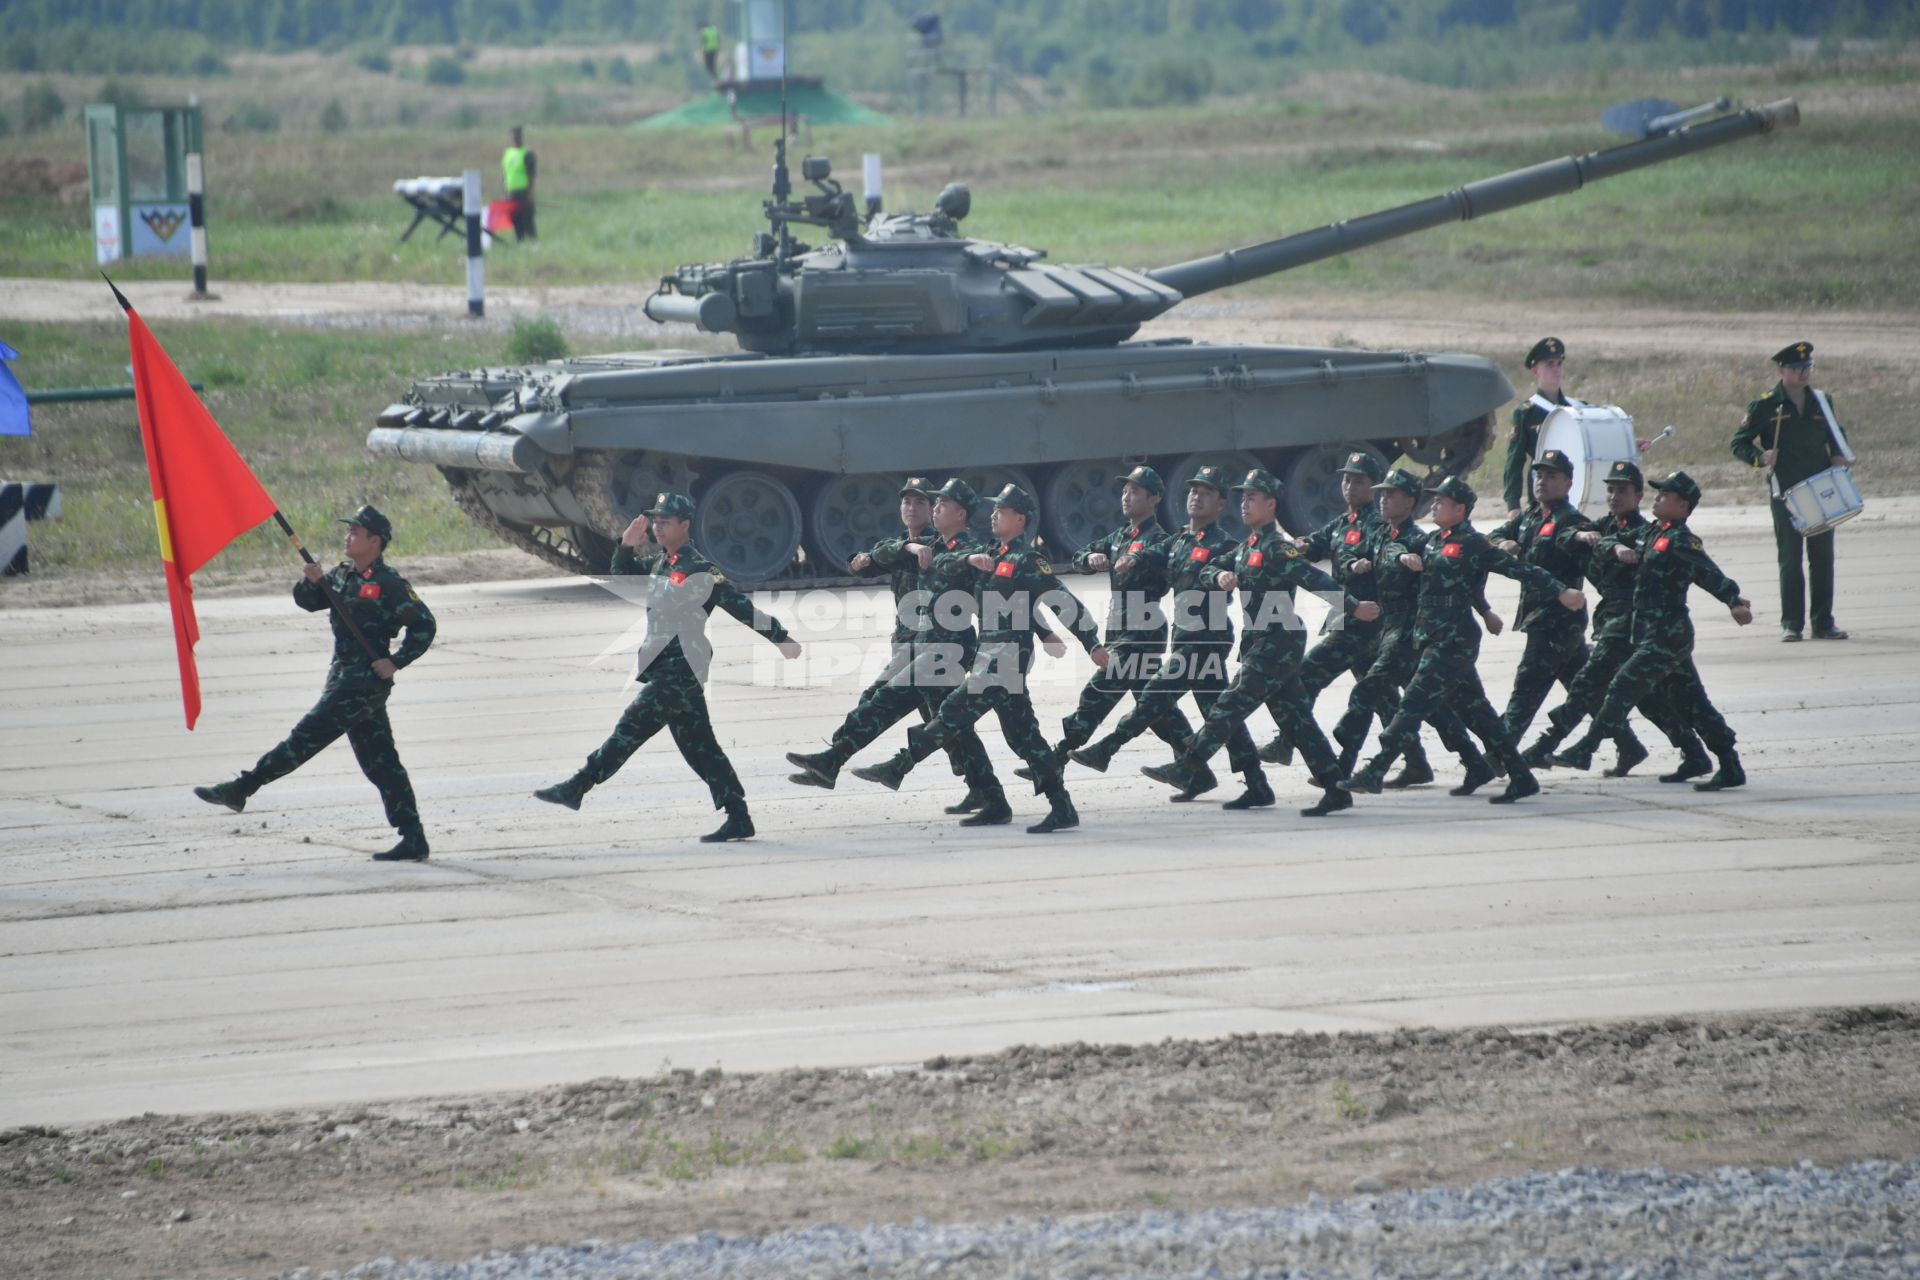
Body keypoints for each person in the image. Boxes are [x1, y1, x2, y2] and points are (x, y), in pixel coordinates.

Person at [533, 491, 801, 842]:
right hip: (663, 669)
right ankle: (739, 816)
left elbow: (741, 607)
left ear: (685, 525)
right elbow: (623, 576)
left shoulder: (701, 571)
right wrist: (626, 546)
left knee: (629, 728)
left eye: (665, 522)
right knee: (701, 749)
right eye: (655, 522)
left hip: (682, 671)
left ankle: (578, 786)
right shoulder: (661, 564)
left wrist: (781, 638)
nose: (658, 528)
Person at [851, 483, 1107, 835]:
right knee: (1024, 739)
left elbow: (1064, 603)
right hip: (988, 656)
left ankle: (898, 766)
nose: (994, 515)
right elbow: (943, 563)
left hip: (1006, 661)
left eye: (1002, 511)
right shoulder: (990, 555)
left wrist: (1092, 644)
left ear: (1020, 519)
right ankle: (1060, 807)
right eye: (994, 509)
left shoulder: (1028, 561)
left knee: (951, 713)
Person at [193, 506, 436, 862]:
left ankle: (241, 788)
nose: (348, 536)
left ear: (375, 541)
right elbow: (309, 602)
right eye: (348, 530)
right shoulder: (341, 575)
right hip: (342, 677)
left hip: (361, 685)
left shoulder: (389, 584)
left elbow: (425, 625)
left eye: (356, 531)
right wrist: (309, 581)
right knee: (382, 764)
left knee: (302, 740)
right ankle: (413, 838)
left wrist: (395, 661)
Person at [1140, 468, 1380, 819]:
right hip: (1259, 641)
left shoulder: (1278, 548)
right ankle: (1334, 786)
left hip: (1278, 642)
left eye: (1253, 498)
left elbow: (1316, 579)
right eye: (1243, 498)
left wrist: (1354, 606)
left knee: (1229, 705)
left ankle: (1189, 764)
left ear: (1271, 504)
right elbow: (1211, 567)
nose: (1245, 504)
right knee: (1296, 720)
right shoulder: (1247, 546)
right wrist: (1219, 574)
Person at [1340, 477, 1584, 805]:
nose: (1435, 505)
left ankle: (1375, 771)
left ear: (1460, 509)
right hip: (1431, 638)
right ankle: (1521, 776)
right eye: (1435, 501)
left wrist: (1560, 591)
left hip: (1453, 642)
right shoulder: (1431, 541)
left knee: (1412, 704)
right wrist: (1401, 556)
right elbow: (1397, 547)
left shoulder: (1473, 543)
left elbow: (1518, 569)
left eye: (1442, 502)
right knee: (1478, 715)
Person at [785, 477, 1010, 823]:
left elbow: (986, 592)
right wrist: (904, 549)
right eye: (913, 502)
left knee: (885, 703)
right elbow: (875, 557)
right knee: (948, 724)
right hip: (915, 646)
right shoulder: (927, 544)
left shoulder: (961, 549)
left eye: (933, 504)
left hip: (943, 650)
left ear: (960, 513)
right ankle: (987, 792)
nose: (925, 509)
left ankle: (833, 760)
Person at [1067, 465, 1269, 807]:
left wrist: (1221, 577)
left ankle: (1108, 748)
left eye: (1206, 493)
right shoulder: (1179, 541)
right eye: (1193, 491)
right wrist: (1131, 557)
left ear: (1221, 505)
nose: (1196, 497)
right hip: (1184, 638)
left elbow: (1226, 570)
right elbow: (1151, 552)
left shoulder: (1225, 545)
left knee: (1153, 698)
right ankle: (1256, 784)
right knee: (1220, 716)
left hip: (1206, 641)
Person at [1551, 471, 1752, 790]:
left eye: (1665, 496)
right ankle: (1727, 763)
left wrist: (1733, 600)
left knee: (1620, 688)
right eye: (1657, 495)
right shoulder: (1653, 532)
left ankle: (1586, 747)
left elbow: (1707, 572)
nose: (1657, 499)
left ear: (1683, 505)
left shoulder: (1681, 541)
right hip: (1649, 632)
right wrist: (1615, 546)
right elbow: (1608, 541)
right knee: (1692, 704)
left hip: (1668, 635)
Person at [1259, 451, 1436, 784]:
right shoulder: (1346, 522)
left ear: (1374, 486)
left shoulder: (1379, 525)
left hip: (1366, 623)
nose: (1349, 486)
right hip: (1351, 620)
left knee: (1308, 673)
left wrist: (1359, 564)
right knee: (1382, 698)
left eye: (1359, 481)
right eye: (1346, 479)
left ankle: (1286, 742)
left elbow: (1384, 554)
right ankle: (1416, 763)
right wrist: (1300, 545)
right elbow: (1318, 543)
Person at [1333, 467, 1493, 791]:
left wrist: (1485, 609)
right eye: (1383, 493)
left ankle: (1346, 763)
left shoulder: (1421, 541)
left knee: (1374, 689)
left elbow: (1456, 582)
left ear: (1410, 501)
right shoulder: (1380, 534)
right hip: (1395, 632)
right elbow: (1352, 555)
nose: (1384, 499)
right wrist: (1352, 563)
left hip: (1413, 635)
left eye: (1392, 494)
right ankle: (1475, 763)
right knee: (1436, 707)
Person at [1043, 464, 1192, 773]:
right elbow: (1079, 556)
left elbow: (1160, 557)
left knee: (1098, 692)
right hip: (1120, 630)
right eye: (1125, 491)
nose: (1126, 496)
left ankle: (1056, 758)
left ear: (1153, 499)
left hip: (1143, 631)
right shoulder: (1120, 536)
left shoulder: (1159, 540)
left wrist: (1135, 558)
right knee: (1157, 708)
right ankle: (1194, 766)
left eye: (1135, 491)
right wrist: (1090, 559)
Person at [1730, 341, 1852, 642]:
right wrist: (1760, 458)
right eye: (1796, 368)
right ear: (1781, 370)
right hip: (1785, 491)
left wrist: (1839, 455)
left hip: (1821, 488)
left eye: (1807, 367)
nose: (1803, 373)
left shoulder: (1822, 401)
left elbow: (1837, 434)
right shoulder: (1766, 404)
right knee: (1790, 558)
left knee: (1822, 557)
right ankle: (1792, 624)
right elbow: (1739, 442)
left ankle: (1823, 622)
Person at [1487, 448, 1594, 745]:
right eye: (1539, 475)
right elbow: (1493, 536)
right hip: (1540, 618)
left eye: (1551, 476)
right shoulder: (1530, 517)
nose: (1542, 481)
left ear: (1568, 484)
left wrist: (1582, 538)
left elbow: (1574, 537)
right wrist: (1503, 542)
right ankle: (1629, 745)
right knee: (1587, 691)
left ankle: (1499, 757)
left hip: (1557, 622)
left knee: (1525, 692)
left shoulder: (1572, 520)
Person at [1504, 337, 1574, 519]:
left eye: (1559, 363)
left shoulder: (1575, 409)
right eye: (1549, 364)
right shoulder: (1526, 412)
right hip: (1542, 491)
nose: (1556, 369)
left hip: (1573, 488)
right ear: (1536, 371)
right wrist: (1513, 504)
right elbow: (1515, 461)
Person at [502, 125, 536, 242]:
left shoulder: (527, 153)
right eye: (513, 136)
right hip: (511, 192)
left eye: (517, 136)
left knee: (527, 219)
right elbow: (505, 174)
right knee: (515, 220)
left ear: (521, 137)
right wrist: (505, 192)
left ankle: (533, 243)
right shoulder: (508, 153)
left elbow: (531, 175)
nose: (515, 138)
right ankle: (519, 242)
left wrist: (530, 194)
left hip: (523, 192)